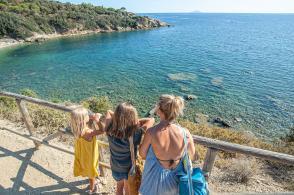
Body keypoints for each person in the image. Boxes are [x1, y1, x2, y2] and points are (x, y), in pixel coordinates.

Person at [139, 94, 196, 195]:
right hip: (176, 178)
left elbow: (142, 154)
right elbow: (192, 156)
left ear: (159, 110)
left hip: (155, 180)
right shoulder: (185, 133)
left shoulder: (151, 132)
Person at [99, 102, 154, 195]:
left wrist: (119, 118)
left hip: (115, 166)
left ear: (116, 116)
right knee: (128, 190)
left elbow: (108, 112)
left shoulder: (109, 128)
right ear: (133, 118)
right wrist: (133, 122)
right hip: (129, 169)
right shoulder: (136, 133)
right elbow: (151, 120)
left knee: (119, 188)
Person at [70, 107, 103, 194]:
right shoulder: (88, 132)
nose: (88, 115)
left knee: (88, 171)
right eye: (86, 115)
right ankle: (92, 189)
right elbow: (102, 130)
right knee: (91, 174)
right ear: (83, 119)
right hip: (90, 156)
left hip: (82, 156)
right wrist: (97, 120)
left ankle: (94, 183)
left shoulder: (76, 130)